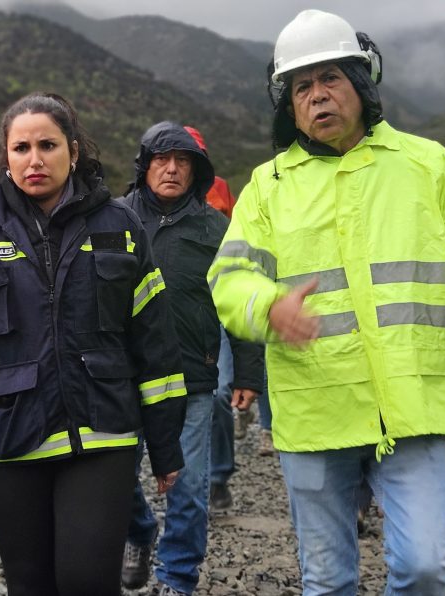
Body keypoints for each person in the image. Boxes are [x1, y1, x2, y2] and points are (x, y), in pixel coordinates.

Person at [208, 9, 445, 596]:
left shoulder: (425, 164)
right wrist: (269, 306)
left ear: (361, 84)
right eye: (302, 86)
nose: (318, 96)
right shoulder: (267, 188)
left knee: (427, 569)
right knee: (329, 580)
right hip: (316, 410)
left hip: (411, 405)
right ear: (288, 104)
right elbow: (229, 278)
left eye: (331, 78)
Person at [0, 92, 186, 596]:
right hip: (5, 442)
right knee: (30, 585)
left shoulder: (121, 228)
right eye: (21, 148)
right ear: (6, 157)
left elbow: (155, 343)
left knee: (86, 582)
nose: (35, 159)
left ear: (73, 152)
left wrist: (165, 446)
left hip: (101, 435)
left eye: (48, 145)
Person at [119, 122, 265, 595]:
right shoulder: (112, 219)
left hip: (192, 377)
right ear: (145, 166)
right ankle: (140, 532)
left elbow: (239, 300)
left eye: (183, 161)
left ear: (197, 171)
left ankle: (177, 578)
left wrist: (246, 370)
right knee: (115, 480)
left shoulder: (217, 228)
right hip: (121, 377)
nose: (172, 168)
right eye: (162, 159)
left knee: (187, 490)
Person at [182, 125, 265, 511]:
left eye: (189, 156)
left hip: (219, 309)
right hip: (179, 314)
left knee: (218, 394)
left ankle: (218, 478)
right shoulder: (142, 208)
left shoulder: (220, 193)